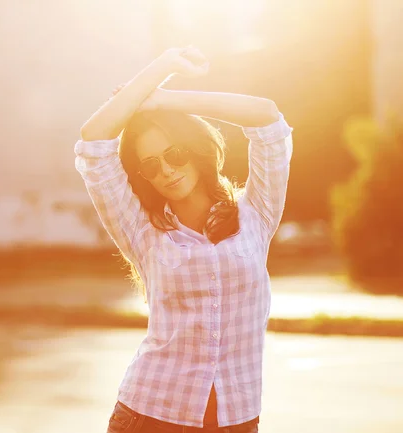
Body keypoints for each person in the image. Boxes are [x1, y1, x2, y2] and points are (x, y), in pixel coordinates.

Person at [75, 46, 293, 433]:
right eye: (151, 164)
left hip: (237, 420)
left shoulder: (255, 214)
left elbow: (267, 118)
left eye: (174, 153)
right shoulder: (142, 232)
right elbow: (94, 141)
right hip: (150, 416)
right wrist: (163, 65)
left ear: (193, 149)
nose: (166, 171)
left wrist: (162, 100)